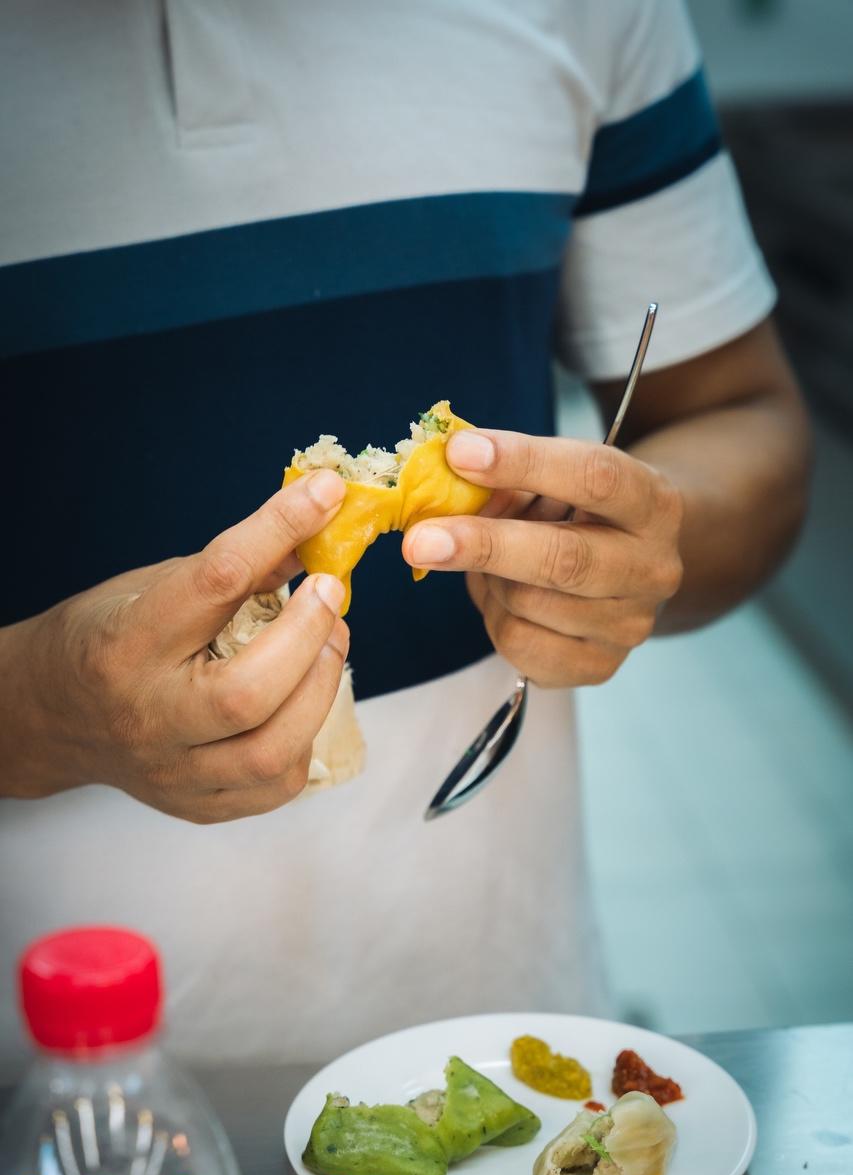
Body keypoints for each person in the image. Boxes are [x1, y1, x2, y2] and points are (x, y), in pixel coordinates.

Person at [0, 1, 809, 1062]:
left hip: (507, 1060)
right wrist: (32, 710)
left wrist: (645, 543)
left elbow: (743, 417)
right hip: (52, 1112)